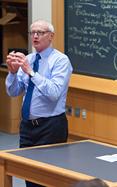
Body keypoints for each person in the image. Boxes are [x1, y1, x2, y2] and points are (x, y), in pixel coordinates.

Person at [5, 20, 73, 187]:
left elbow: (54, 93)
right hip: (27, 127)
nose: (35, 36)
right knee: (29, 174)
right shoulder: (28, 59)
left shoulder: (60, 61)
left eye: (40, 32)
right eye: (32, 32)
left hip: (50, 126)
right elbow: (13, 92)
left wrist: (31, 72)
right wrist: (13, 73)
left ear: (51, 36)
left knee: (47, 177)